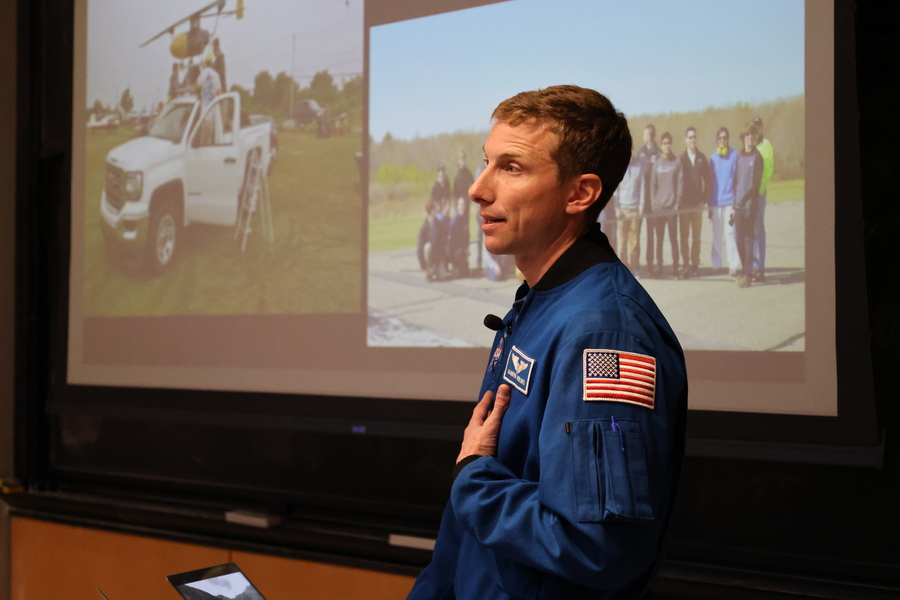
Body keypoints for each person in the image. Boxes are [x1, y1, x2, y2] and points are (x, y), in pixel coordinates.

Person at [406, 85, 687, 600]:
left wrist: (473, 478)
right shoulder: (537, 304)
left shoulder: (605, 334)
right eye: (487, 162)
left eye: (511, 168)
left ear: (579, 194)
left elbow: (594, 546)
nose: (476, 188)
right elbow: (466, 533)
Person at [732, 122, 764, 288]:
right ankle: (745, 269)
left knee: (748, 239)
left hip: (750, 205)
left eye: (752, 135)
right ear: (743, 138)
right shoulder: (740, 156)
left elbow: (756, 185)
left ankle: (747, 274)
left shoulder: (757, 157)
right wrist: (734, 204)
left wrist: (745, 201)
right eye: (747, 135)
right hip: (737, 205)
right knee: (738, 238)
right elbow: (736, 180)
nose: (750, 138)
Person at [707, 127, 741, 276]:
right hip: (715, 202)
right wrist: (709, 204)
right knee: (717, 234)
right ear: (717, 140)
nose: (722, 140)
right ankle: (717, 264)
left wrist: (735, 203)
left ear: (728, 139)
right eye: (720, 138)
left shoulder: (734, 155)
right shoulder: (713, 158)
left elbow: (737, 179)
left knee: (730, 233)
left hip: (729, 202)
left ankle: (733, 265)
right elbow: (709, 183)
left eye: (725, 137)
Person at [649, 132, 682, 279]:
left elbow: (680, 185)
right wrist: (654, 204)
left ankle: (676, 267)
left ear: (671, 144)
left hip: (671, 208)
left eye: (669, 143)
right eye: (664, 144)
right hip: (659, 209)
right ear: (661, 146)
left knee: (674, 239)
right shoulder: (656, 164)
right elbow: (652, 186)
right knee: (659, 239)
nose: (667, 146)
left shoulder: (677, 162)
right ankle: (659, 267)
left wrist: (677, 203)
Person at [678, 127, 709, 278]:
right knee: (684, 237)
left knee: (696, 237)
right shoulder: (681, 159)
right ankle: (686, 266)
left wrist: (705, 199)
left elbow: (708, 180)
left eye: (694, 137)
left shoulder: (702, 158)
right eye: (689, 137)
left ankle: (695, 265)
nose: (692, 140)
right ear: (685, 140)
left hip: (697, 204)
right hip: (684, 205)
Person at [612, 152, 644, 272]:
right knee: (623, 241)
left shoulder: (639, 168)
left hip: (635, 209)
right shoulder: (620, 167)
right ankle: (624, 268)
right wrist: (617, 208)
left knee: (634, 241)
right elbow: (616, 190)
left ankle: (635, 267)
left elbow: (642, 188)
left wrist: (641, 206)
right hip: (622, 210)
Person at [636, 124, 660, 276]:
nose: (648, 137)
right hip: (640, 200)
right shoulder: (640, 154)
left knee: (652, 235)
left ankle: (651, 264)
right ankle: (636, 264)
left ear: (653, 135)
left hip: (653, 201)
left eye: (650, 134)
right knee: (636, 233)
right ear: (643, 137)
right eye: (646, 134)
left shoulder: (659, 152)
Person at [752, 117, 773, 282]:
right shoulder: (750, 144)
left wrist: (759, 190)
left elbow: (768, 170)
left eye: (758, 126)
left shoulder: (766, 146)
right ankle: (752, 265)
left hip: (759, 194)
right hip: (749, 197)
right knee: (750, 231)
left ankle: (760, 266)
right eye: (754, 126)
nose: (756, 129)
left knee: (759, 231)